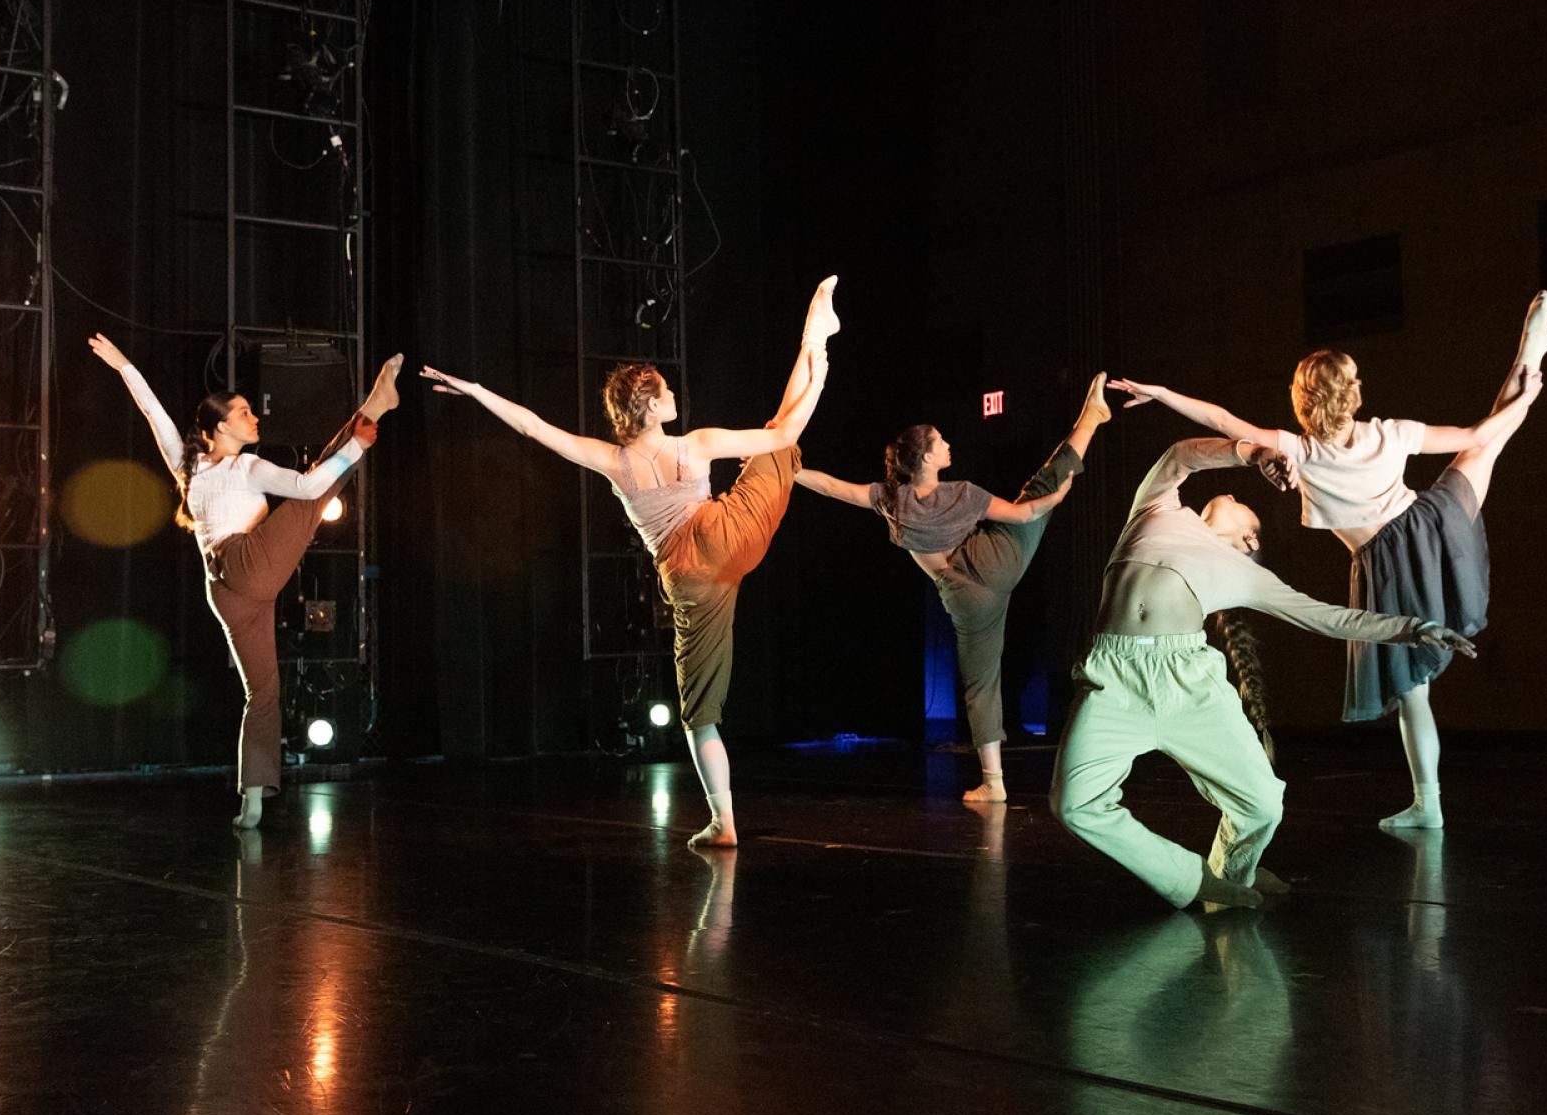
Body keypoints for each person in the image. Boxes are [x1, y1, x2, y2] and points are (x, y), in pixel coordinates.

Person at [1108, 292, 1547, 828]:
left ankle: (1428, 803)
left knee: (1415, 695)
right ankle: (1528, 358)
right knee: (1484, 449)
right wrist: (1525, 399)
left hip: (1387, 561)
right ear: (1353, 393)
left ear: (1303, 402)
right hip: (1431, 529)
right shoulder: (1392, 433)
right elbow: (1483, 435)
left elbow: (1223, 420)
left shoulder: (1299, 450)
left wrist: (1160, 393)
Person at [423, 277, 839, 847]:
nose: (673, 394)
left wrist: (476, 389)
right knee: (778, 440)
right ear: (648, 403)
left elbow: (533, 427)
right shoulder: (694, 443)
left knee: (700, 713)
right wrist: (816, 359)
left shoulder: (614, 461)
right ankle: (814, 338)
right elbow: (790, 429)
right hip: (727, 533)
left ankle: (725, 824)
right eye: (664, 389)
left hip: (690, 578)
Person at [1051, 436, 1475, 909]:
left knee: (1263, 806)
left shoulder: (1245, 572)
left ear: (1250, 539)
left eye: (1243, 504)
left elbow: (1331, 618)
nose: (1231, 494)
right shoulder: (1157, 509)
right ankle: (1194, 882)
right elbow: (1178, 457)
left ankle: (1230, 879)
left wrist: (1414, 628)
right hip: (1112, 681)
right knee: (1074, 804)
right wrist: (1251, 453)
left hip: (1188, 683)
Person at [91, 333, 403, 829]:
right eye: (242, 413)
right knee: (308, 503)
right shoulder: (218, 465)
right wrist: (358, 451)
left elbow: (306, 483)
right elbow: (157, 415)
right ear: (218, 427)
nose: (254, 417)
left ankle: (252, 801)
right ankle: (372, 413)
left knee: (262, 693)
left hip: (228, 589)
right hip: (243, 571)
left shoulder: (213, 466)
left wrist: (127, 365)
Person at [794, 376, 1111, 801]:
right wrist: (1054, 499)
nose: (948, 445)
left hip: (963, 595)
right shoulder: (963, 492)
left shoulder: (891, 499)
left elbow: (834, 487)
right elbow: (1022, 514)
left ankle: (993, 783)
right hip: (997, 563)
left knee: (981, 683)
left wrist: (792, 473)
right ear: (926, 456)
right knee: (1038, 486)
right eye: (940, 441)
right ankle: (1089, 421)